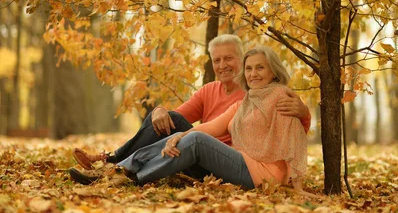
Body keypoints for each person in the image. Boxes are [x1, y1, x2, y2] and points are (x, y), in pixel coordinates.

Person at [70, 36, 310, 184]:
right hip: (218, 159)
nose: (223, 65)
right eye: (217, 60)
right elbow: (205, 125)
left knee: (195, 139)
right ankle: (116, 168)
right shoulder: (238, 100)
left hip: (243, 166)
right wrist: (164, 117)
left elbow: (294, 131)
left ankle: (124, 172)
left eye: (230, 59)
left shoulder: (279, 96)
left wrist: (304, 112)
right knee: (175, 124)